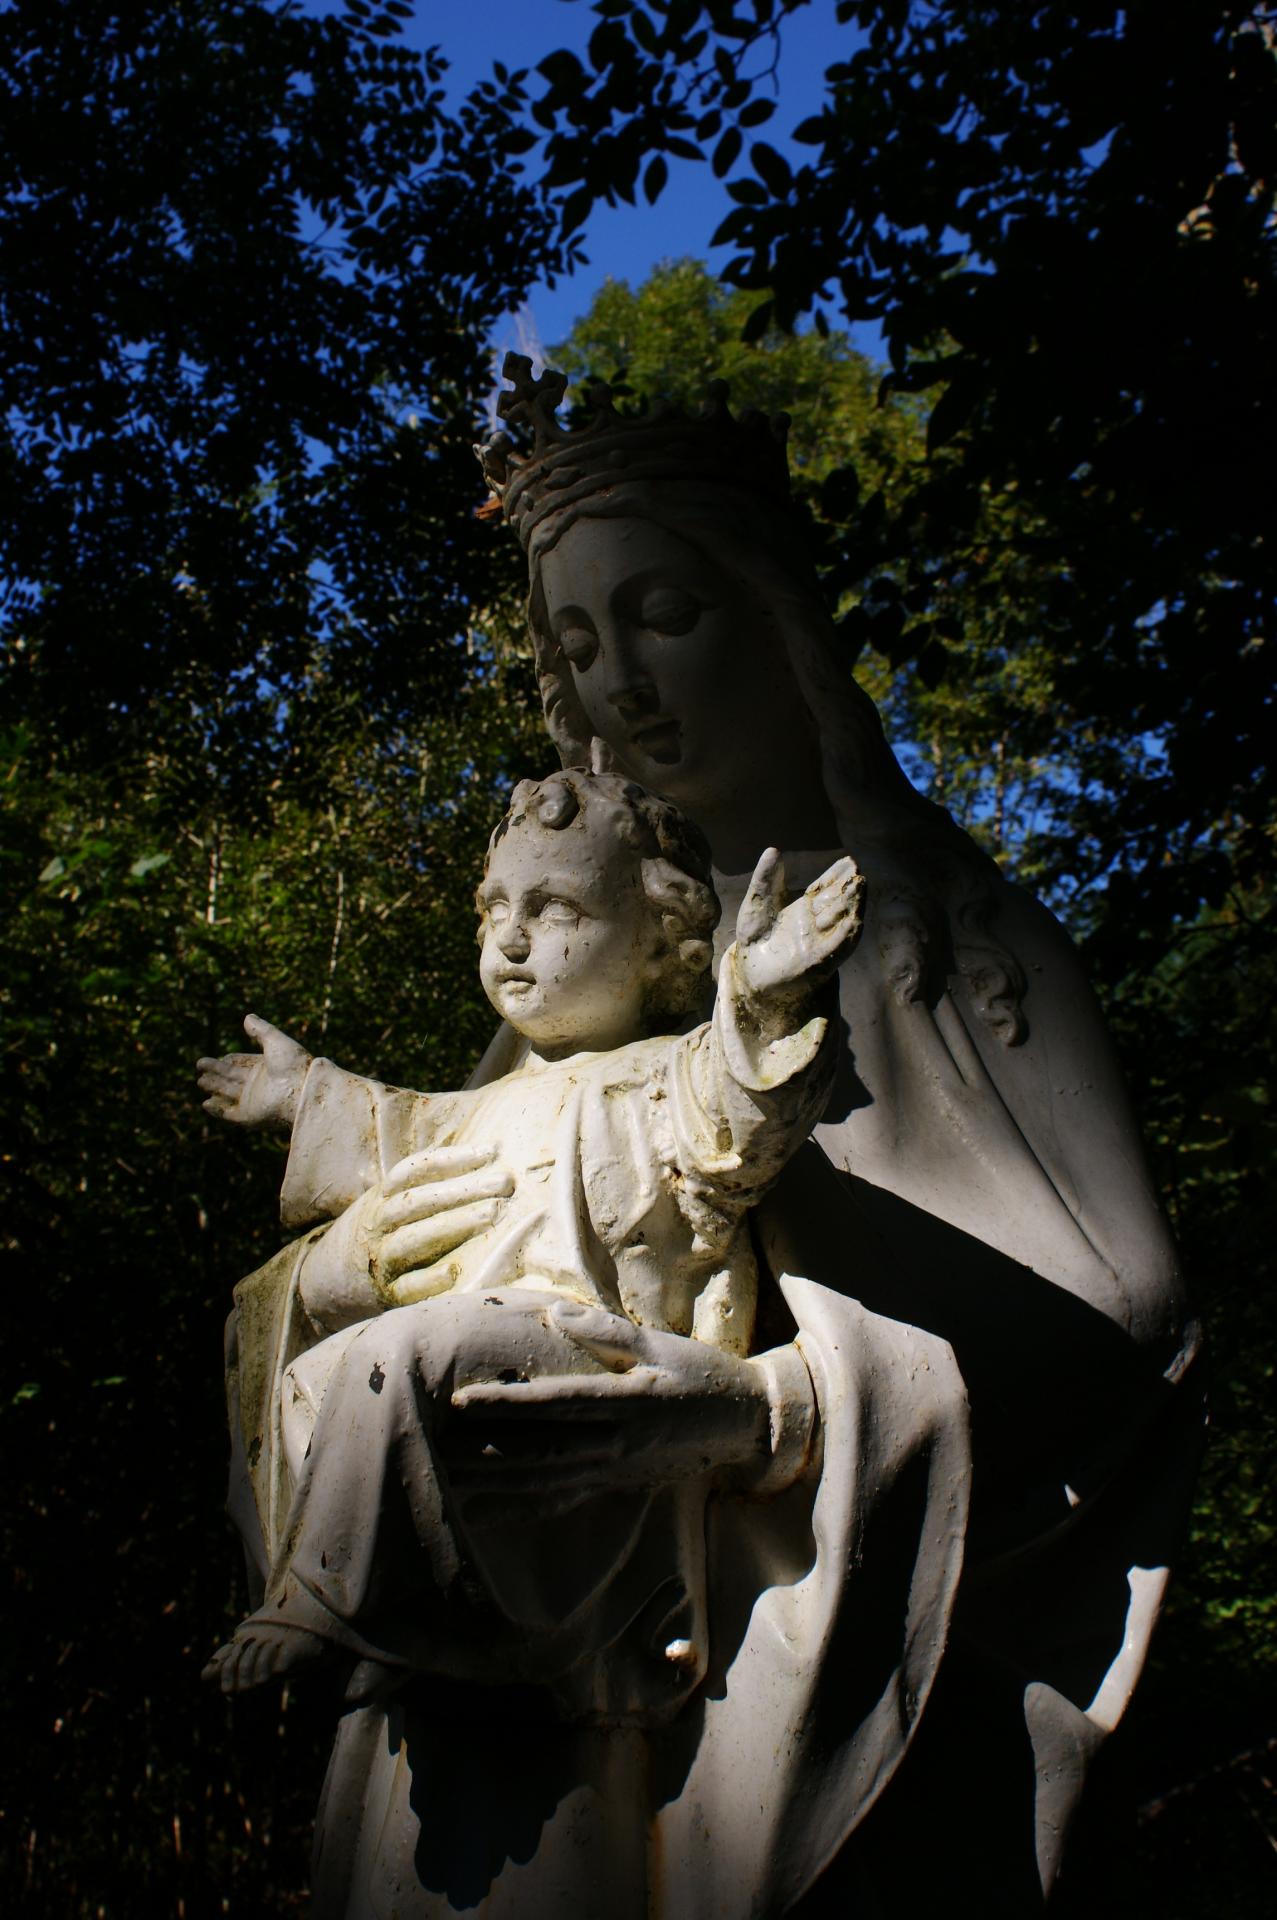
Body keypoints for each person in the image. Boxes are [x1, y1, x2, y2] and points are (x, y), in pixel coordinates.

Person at [198, 768, 862, 1710]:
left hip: (581, 1361)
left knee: (406, 1348)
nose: (511, 936)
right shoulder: (482, 1105)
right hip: (465, 1381)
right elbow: (391, 1128)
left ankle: (321, 1600)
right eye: (496, 906)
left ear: (657, 940)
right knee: (322, 1375)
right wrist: (301, 1094)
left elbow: (740, 1112)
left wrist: (759, 994)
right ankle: (372, 1593)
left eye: (555, 909)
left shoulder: (666, 1079)